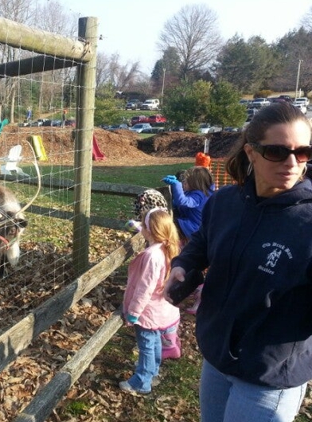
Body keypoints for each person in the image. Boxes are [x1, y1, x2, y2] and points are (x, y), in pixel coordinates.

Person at [164, 102, 312, 422]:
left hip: (267, 377)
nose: (292, 162)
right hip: (217, 359)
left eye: (303, 152)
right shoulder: (225, 202)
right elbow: (202, 242)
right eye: (277, 151)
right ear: (251, 152)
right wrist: (183, 265)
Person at [119, 207, 181, 395]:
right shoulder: (168, 248)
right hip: (162, 311)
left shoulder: (151, 256)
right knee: (155, 343)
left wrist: (133, 313)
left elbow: (143, 289)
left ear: (149, 231)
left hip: (147, 312)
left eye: (143, 225)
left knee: (146, 346)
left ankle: (141, 382)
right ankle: (153, 372)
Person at [163, 166, 215, 314]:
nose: (183, 183)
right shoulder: (201, 192)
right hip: (190, 227)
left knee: (176, 243)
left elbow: (184, 202)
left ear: (194, 182)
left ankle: (190, 287)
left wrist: (176, 186)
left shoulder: (199, 195)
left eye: (185, 181)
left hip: (192, 229)